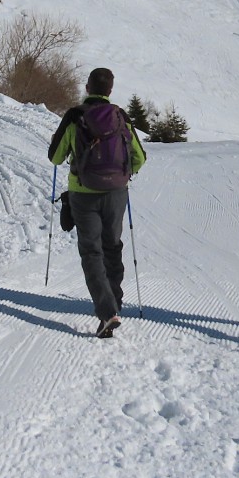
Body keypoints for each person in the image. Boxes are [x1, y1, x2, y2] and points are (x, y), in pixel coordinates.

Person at [48, 67, 147, 338]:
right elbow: (139, 158)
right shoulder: (120, 117)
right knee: (112, 247)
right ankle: (114, 301)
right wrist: (122, 174)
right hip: (116, 193)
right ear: (110, 90)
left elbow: (55, 157)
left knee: (91, 252)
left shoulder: (74, 116)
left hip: (83, 193)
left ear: (88, 87)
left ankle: (107, 312)